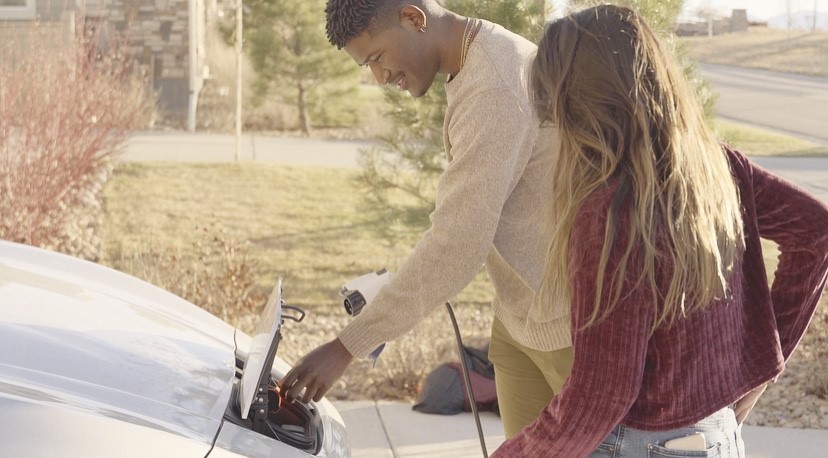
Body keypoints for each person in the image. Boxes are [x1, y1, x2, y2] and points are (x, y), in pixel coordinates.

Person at [490, 5, 828, 457]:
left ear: (576, 105)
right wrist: (762, 363)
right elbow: (816, 230)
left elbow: (601, 394)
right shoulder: (717, 166)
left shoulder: (612, 212)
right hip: (718, 438)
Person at [281, 0, 576, 437]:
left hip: (569, 327)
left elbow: (457, 245)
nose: (380, 77)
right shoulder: (476, 61)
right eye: (367, 66)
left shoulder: (495, 87)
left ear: (413, 18)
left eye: (377, 57)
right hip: (519, 318)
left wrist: (346, 347)